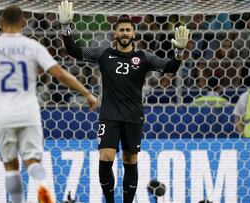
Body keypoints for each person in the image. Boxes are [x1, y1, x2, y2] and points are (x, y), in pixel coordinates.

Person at [57, 1, 189, 202]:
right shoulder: (104, 54)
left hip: (133, 115)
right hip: (109, 114)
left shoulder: (144, 57)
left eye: (128, 30)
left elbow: (170, 67)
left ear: (134, 34)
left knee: (130, 160)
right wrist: (66, 29)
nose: (125, 33)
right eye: (121, 30)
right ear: (115, 34)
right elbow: (75, 51)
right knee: (106, 157)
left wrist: (179, 53)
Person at [0, 5, 98, 203]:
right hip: (28, 112)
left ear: (0, 23)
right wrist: (87, 93)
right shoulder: (32, 46)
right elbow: (59, 74)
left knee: (10, 165)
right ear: (24, 23)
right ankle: (41, 183)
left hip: (2, 114)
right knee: (33, 162)